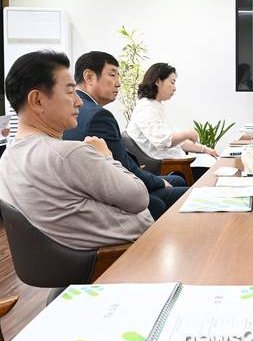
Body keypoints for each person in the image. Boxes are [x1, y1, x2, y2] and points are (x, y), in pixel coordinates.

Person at [0, 51, 153, 249]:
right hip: (125, 256)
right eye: (70, 92)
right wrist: (105, 156)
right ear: (37, 100)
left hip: (65, 260)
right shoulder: (68, 154)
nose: (79, 101)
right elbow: (140, 198)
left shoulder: (8, 157)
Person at [62, 51, 188, 220]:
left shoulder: (76, 111)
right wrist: (158, 182)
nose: (119, 83)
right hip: (115, 195)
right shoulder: (98, 116)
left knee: (177, 181)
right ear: (89, 77)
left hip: (103, 186)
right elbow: (122, 168)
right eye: (113, 75)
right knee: (188, 194)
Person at [127, 63, 219, 181]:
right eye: (172, 82)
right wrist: (187, 133)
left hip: (177, 163)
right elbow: (163, 141)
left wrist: (205, 150)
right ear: (158, 81)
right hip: (169, 168)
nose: (174, 88)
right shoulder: (146, 108)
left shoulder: (155, 106)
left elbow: (178, 141)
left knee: (213, 165)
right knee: (214, 172)